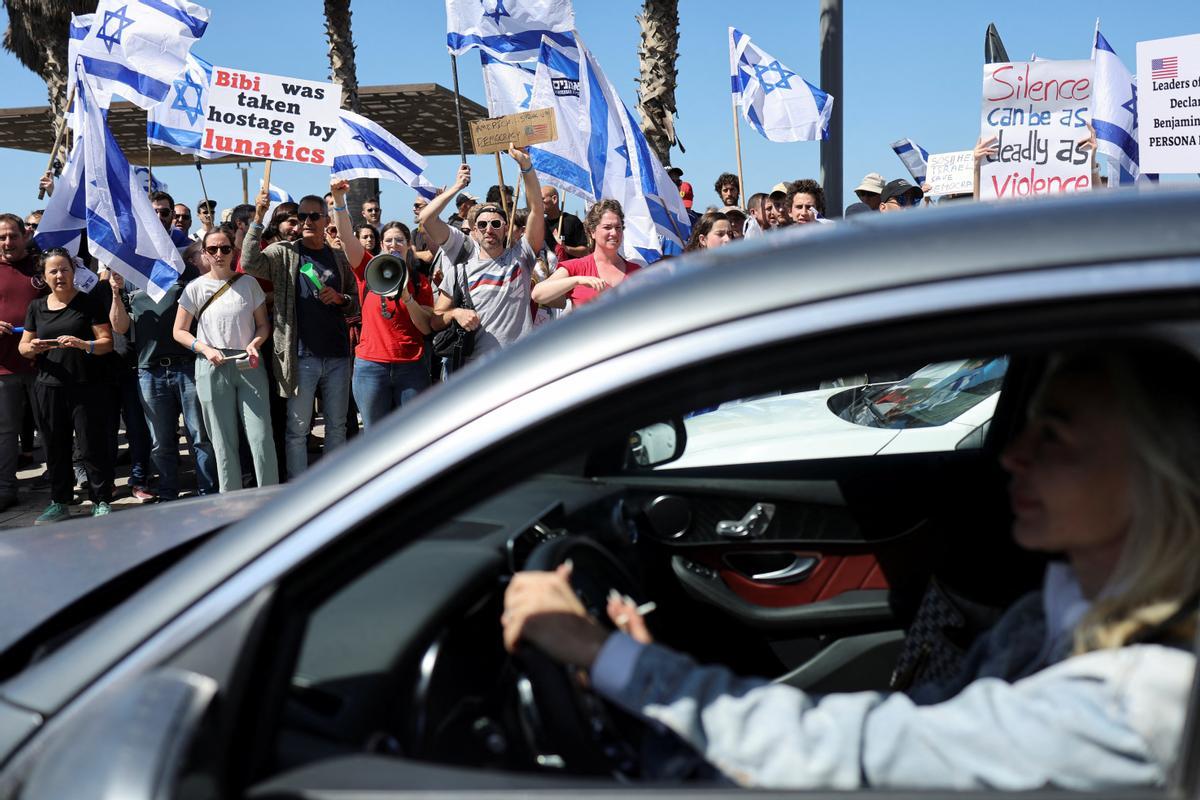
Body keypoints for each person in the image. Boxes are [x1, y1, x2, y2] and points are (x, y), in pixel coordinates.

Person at [503, 344, 1200, 790]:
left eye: (1056, 438)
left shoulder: (1132, 705)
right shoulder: (1051, 613)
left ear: (1157, 474)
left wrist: (607, 657)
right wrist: (647, 692)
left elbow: (858, 753)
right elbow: (911, 732)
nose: (1013, 458)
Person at [241, 189, 358, 480]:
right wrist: (258, 217)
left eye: (313, 216)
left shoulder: (338, 257)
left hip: (337, 355)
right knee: (297, 430)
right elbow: (250, 262)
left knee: (337, 426)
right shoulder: (284, 253)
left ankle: (334, 486)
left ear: (325, 219)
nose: (306, 221)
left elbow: (355, 298)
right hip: (300, 356)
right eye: (301, 216)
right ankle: (299, 490)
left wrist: (341, 298)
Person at [420, 146, 545, 365]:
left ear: (506, 228)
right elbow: (435, 320)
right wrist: (455, 313)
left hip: (521, 364)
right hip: (476, 370)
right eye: (482, 224)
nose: (489, 229)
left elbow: (536, 209)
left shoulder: (522, 257)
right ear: (474, 231)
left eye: (496, 224)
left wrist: (526, 166)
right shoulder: (459, 272)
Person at [173, 229, 276, 492]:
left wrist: (256, 343)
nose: (219, 254)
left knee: (260, 436)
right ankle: (229, 500)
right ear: (204, 253)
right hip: (211, 364)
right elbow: (179, 331)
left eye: (225, 248)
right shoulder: (194, 288)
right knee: (222, 439)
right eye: (212, 249)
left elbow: (263, 325)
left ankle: (270, 498)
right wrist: (204, 349)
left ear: (234, 251)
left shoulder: (249, 283)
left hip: (247, 361)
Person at [18, 249, 114, 522]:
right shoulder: (36, 307)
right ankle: (59, 501)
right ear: (44, 276)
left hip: (86, 386)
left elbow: (106, 343)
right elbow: (23, 347)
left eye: (65, 269)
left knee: (90, 446)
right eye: (54, 271)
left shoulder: (89, 303)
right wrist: (32, 347)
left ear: (74, 272)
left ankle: (101, 499)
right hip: (48, 387)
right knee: (54, 447)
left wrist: (84, 344)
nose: (60, 275)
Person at [108, 265, 217, 502]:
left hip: (187, 366)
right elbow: (120, 327)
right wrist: (116, 294)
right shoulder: (128, 277)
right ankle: (168, 493)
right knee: (160, 441)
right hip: (150, 372)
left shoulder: (182, 269)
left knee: (200, 437)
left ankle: (208, 491)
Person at [331, 186, 435, 427]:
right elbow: (347, 238)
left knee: (413, 434)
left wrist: (408, 296)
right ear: (380, 246)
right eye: (388, 240)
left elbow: (426, 328)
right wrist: (338, 200)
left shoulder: (420, 282)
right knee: (374, 438)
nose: (393, 245)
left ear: (409, 245)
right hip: (371, 367)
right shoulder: (367, 269)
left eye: (399, 240)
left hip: (411, 366)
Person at [0, 213, 44, 512]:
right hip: (4, 367)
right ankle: (5, 489)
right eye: (1, 237)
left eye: (12, 236)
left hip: (44, 364)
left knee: (53, 428)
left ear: (25, 235)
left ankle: (62, 484)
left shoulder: (42, 266)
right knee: (4, 432)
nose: (7, 242)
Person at [531, 199, 638, 308]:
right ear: (592, 232)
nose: (614, 233)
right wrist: (577, 280)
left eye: (618, 228)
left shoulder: (637, 272)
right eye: (607, 227)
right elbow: (537, 294)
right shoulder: (576, 267)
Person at [542, 186, 588, 261]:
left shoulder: (572, 221)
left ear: (554, 199)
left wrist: (565, 248)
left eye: (542, 199)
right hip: (548, 271)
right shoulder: (541, 224)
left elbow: (585, 251)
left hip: (569, 270)